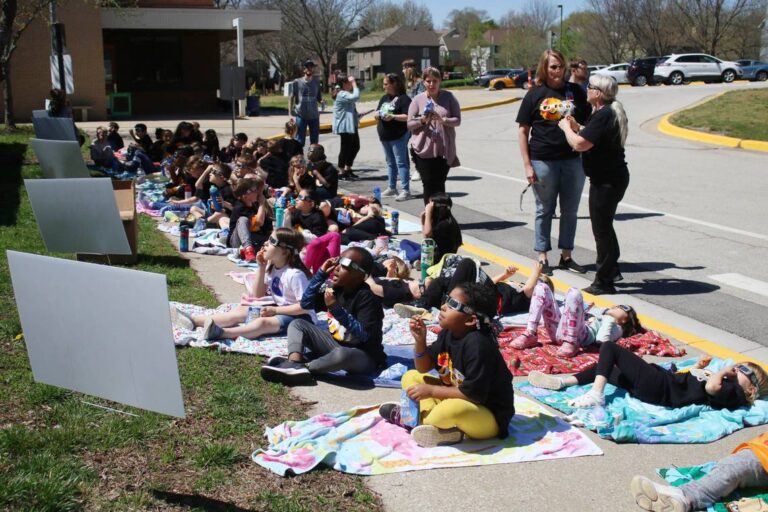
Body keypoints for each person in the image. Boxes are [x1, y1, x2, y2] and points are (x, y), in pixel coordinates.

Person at [380, 283, 515, 448]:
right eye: (447, 300)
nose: (443, 306)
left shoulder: (478, 345)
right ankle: (444, 430)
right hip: (457, 393)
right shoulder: (449, 333)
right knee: (411, 377)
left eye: (453, 305)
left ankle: (412, 419)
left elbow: (474, 396)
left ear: (470, 320)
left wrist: (431, 391)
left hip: (487, 415)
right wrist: (420, 341)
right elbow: (424, 367)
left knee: (454, 408)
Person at [260, 248, 386, 385]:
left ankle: (304, 368)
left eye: (344, 265)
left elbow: (364, 335)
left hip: (363, 356)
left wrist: (336, 309)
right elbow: (306, 303)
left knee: (343, 354)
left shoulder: (367, 298)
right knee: (297, 324)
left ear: (361, 275)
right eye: (337, 262)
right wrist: (320, 274)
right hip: (335, 345)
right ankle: (293, 362)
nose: (336, 268)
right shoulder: (335, 290)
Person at [516, 49, 590, 277]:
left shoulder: (575, 92)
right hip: (542, 160)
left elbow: (589, 123)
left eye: (560, 66)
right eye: (553, 67)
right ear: (544, 69)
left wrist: (578, 127)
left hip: (572, 160)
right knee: (544, 209)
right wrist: (527, 165)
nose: (557, 71)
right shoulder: (535, 94)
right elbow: (522, 130)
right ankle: (542, 256)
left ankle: (566, 255)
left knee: (570, 210)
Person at [172, 229, 316, 341]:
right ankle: (194, 321)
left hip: (302, 319)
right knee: (242, 310)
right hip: (281, 309)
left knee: (263, 323)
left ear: (285, 251)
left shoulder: (295, 274)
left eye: (272, 241)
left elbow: (304, 307)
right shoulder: (274, 267)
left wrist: (275, 311)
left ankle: (222, 333)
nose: (265, 243)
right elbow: (257, 295)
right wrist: (261, 266)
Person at [528, 343, 768, 410]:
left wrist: (723, 371)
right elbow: (689, 378)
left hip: (659, 386)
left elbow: (712, 388)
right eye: (737, 366)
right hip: (659, 382)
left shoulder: (732, 392)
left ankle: (596, 394)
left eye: (743, 371)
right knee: (609, 369)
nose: (736, 370)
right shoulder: (725, 381)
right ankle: (564, 382)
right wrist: (697, 366)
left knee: (610, 348)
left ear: (751, 389)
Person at [559, 74, 630, 295]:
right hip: (609, 178)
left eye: (589, 87)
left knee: (601, 230)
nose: (586, 89)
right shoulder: (601, 113)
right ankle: (612, 270)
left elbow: (580, 144)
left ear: (598, 93)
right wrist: (578, 126)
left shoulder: (604, 114)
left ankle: (604, 281)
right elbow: (591, 136)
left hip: (607, 180)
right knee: (605, 226)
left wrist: (566, 129)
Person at [630, 431, 768, 512]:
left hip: (760, 455)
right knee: (731, 467)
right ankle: (679, 496)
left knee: (732, 468)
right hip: (759, 451)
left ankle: (684, 497)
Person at [511, 283, 641, 356]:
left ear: (625, 319)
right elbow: (573, 318)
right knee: (541, 287)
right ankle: (530, 333)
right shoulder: (600, 316)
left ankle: (571, 343)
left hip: (579, 338)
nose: (616, 306)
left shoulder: (616, 327)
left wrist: (608, 318)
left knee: (574, 292)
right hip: (561, 332)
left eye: (623, 307)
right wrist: (583, 311)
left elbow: (602, 339)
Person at [407, 67, 461, 205]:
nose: (431, 84)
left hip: (443, 150)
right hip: (423, 150)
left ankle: (441, 217)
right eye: (428, 81)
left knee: (439, 184)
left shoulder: (449, 98)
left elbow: (458, 120)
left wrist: (444, 120)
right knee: (428, 184)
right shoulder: (417, 100)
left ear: (440, 81)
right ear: (424, 82)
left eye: (435, 81)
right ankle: (429, 216)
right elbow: (409, 124)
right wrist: (423, 120)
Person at [376, 73, 412, 201]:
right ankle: (392, 188)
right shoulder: (384, 98)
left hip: (398, 136)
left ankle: (406, 190)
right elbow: (378, 111)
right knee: (390, 163)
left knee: (401, 163)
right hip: (385, 136)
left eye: (386, 84)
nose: (384, 86)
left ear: (394, 84)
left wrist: (393, 117)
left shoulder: (404, 99)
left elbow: (409, 116)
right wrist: (377, 114)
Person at [226, 176, 273, 260]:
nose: (257, 192)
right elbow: (259, 222)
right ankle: (248, 249)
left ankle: (246, 251)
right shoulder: (240, 207)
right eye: (254, 190)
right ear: (245, 196)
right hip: (236, 241)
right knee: (243, 220)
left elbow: (265, 226)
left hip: (253, 238)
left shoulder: (254, 205)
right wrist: (262, 204)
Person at [331, 74, 361, 180]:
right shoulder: (341, 94)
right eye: (349, 83)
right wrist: (354, 83)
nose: (351, 85)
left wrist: (357, 115)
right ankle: (341, 171)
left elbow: (351, 108)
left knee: (355, 147)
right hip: (345, 126)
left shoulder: (346, 93)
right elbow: (355, 97)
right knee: (345, 148)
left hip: (351, 125)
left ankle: (348, 169)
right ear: (344, 84)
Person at [290, 60, 322, 148]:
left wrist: (322, 101)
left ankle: (313, 159)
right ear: (304, 69)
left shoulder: (317, 82)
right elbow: (291, 97)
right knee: (299, 141)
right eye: (307, 67)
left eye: (311, 67)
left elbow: (319, 97)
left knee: (314, 142)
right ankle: (299, 159)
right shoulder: (297, 82)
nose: (309, 69)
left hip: (314, 116)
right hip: (301, 115)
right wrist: (290, 113)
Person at [421, 193, 462, 263]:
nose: (427, 207)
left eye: (430, 206)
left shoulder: (443, 224)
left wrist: (428, 213)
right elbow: (426, 237)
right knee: (406, 243)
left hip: (438, 259)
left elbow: (427, 234)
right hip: (434, 253)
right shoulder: (449, 220)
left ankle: (416, 261)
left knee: (408, 248)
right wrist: (423, 219)